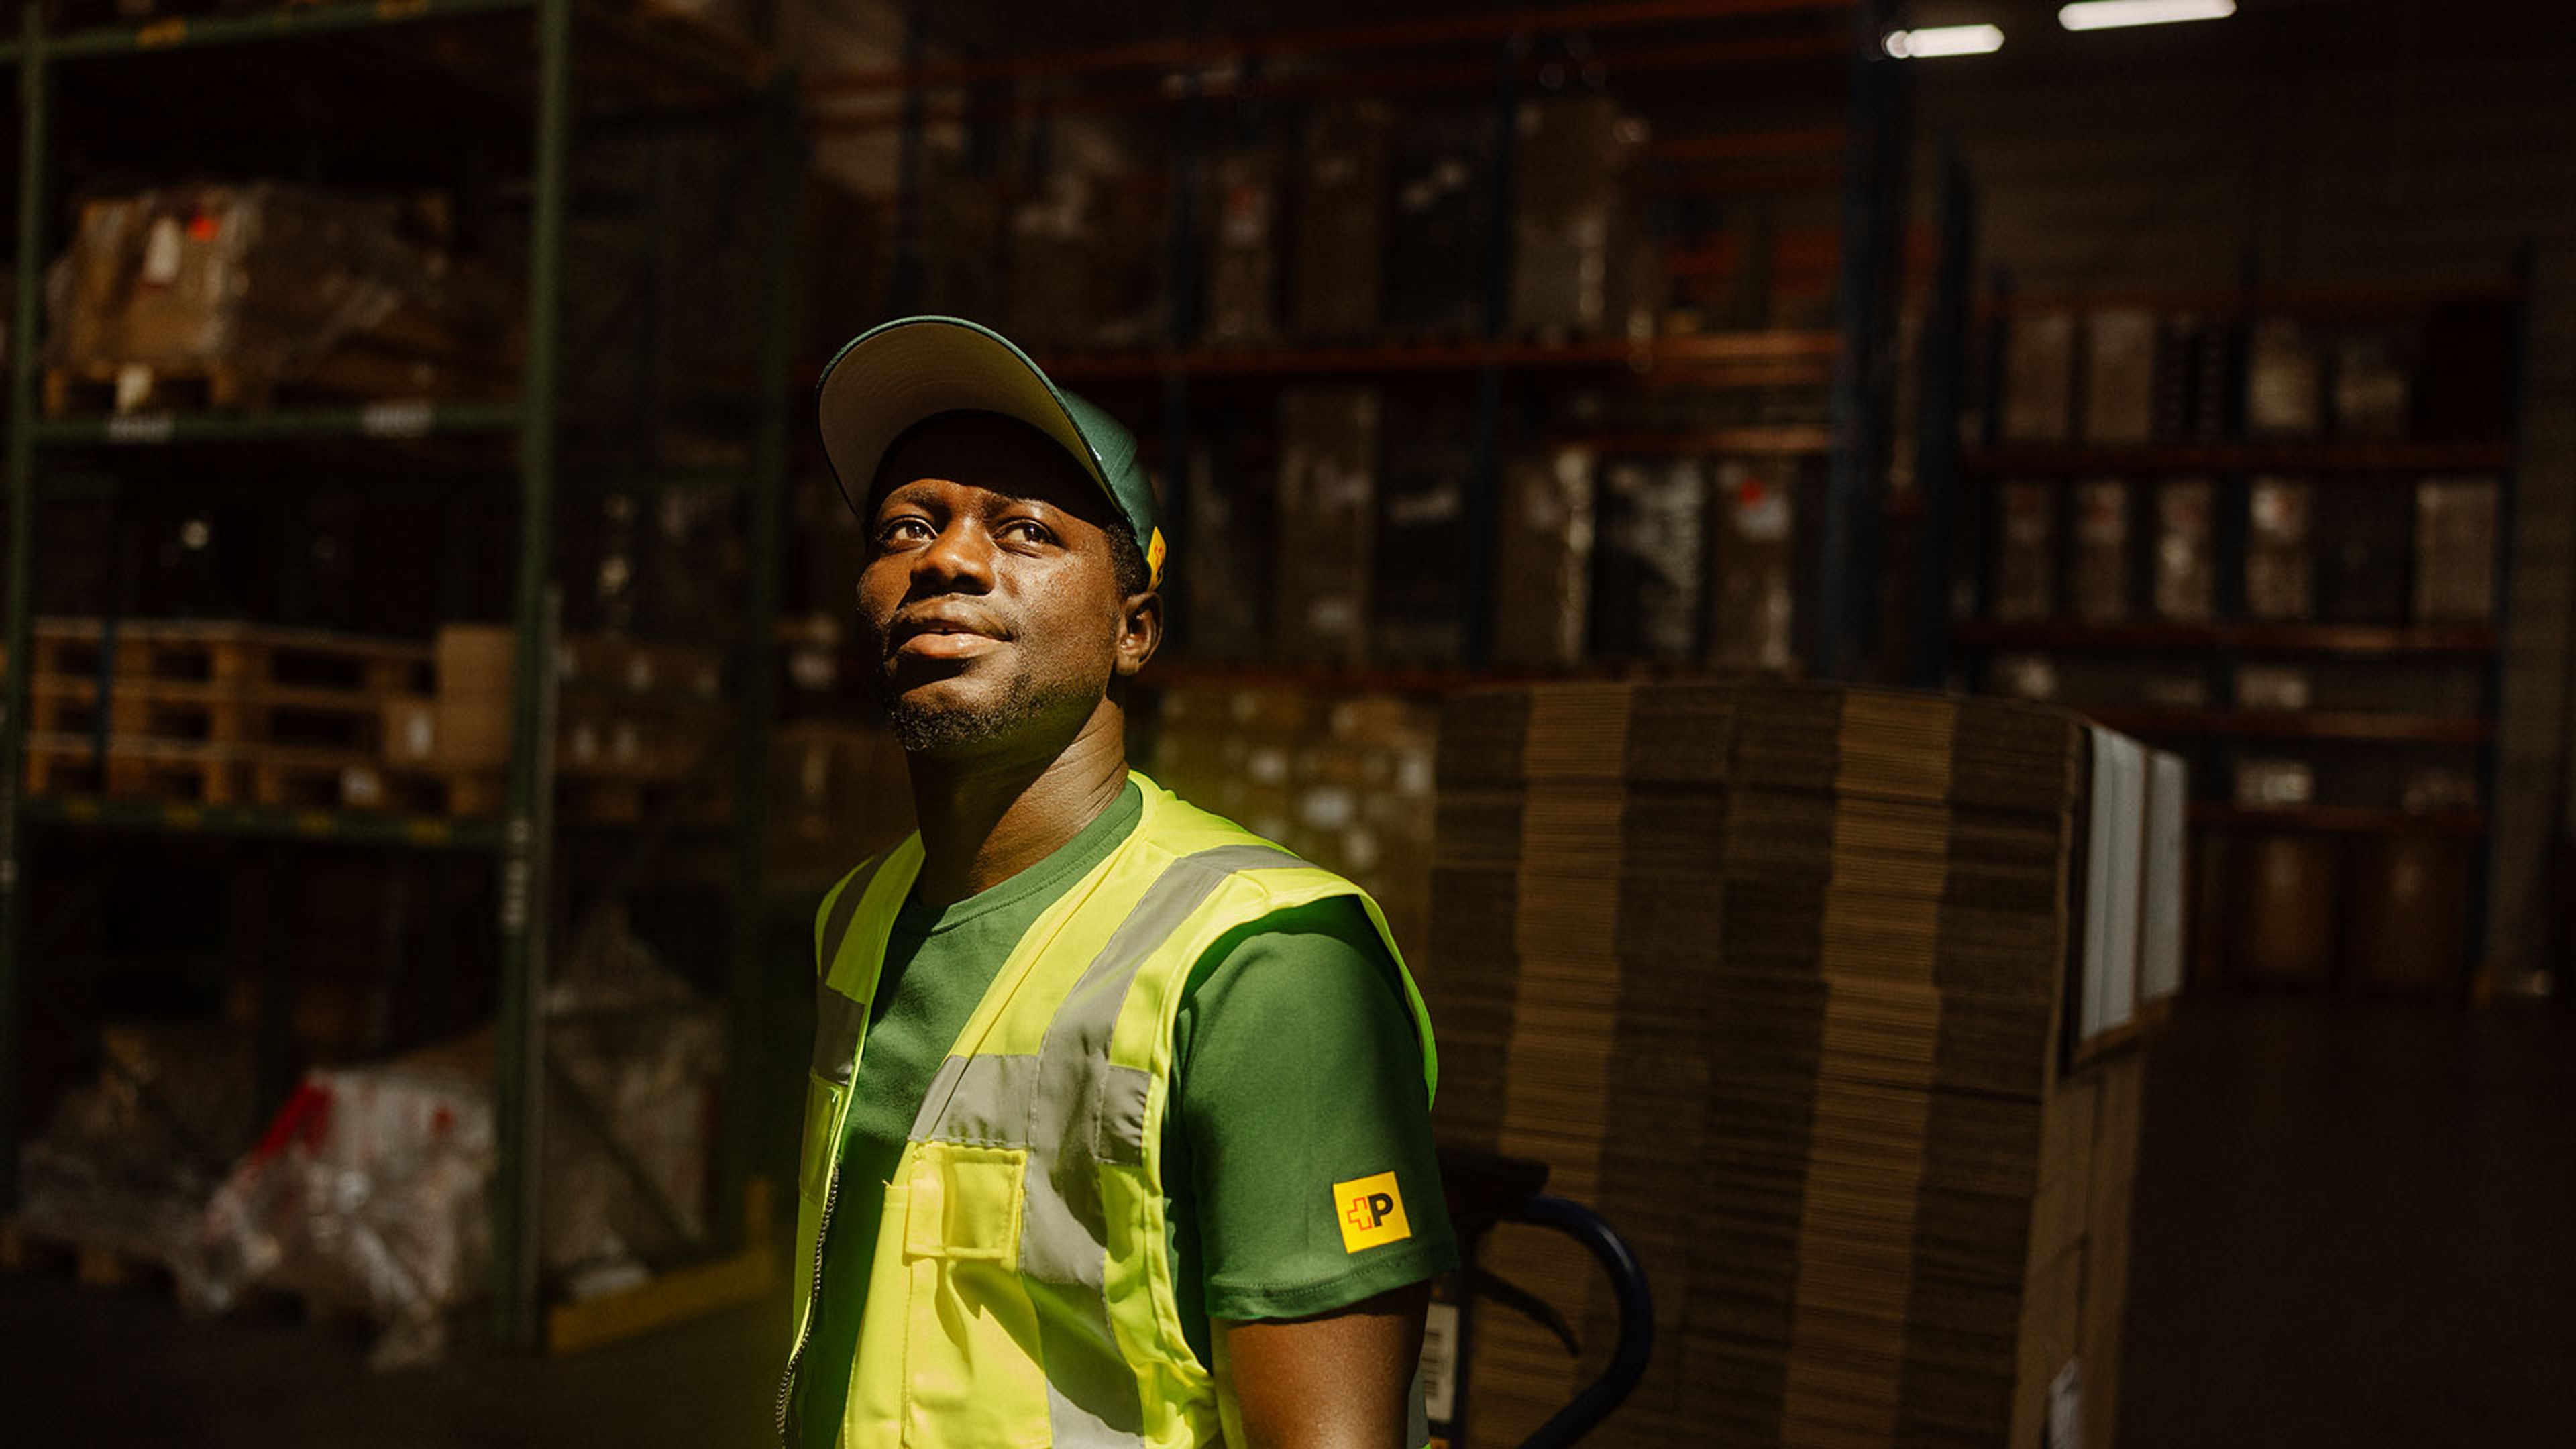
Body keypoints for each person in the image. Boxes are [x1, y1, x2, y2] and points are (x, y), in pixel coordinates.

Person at [782, 315, 1455, 1449]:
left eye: (1027, 530)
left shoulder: (1264, 967)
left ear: (1133, 630)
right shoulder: (858, 915)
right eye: (906, 524)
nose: (947, 558)